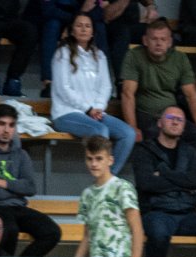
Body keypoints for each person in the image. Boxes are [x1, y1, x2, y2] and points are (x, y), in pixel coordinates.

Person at [131, 105, 196, 257]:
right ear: (160, 122)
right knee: (158, 234)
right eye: (170, 117)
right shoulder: (144, 150)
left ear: (183, 126)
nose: (175, 121)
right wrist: (182, 181)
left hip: (187, 213)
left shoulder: (190, 152)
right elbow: (146, 182)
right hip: (156, 211)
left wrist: (164, 174)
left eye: (180, 119)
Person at [0, 104, 61, 256]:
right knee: (10, 229)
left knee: (52, 232)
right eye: (2, 124)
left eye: (11, 125)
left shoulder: (21, 154)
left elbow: (30, 188)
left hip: (17, 208)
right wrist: (17, 190)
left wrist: (4, 183)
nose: (6, 130)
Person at [51, 14, 138, 175]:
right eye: (79, 25)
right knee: (100, 131)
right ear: (72, 31)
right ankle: (102, 180)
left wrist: (98, 107)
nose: (84, 29)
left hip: (95, 113)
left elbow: (106, 87)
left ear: (92, 32)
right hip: (66, 113)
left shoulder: (99, 56)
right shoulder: (62, 54)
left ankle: (108, 179)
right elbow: (63, 89)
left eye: (87, 26)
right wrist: (88, 108)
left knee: (128, 133)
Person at [122, 20, 196, 139]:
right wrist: (133, 128)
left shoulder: (180, 58)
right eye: (154, 39)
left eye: (163, 39)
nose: (159, 43)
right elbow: (127, 93)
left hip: (171, 114)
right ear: (145, 40)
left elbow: (191, 95)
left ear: (170, 42)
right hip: (146, 114)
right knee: (156, 135)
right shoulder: (134, 56)